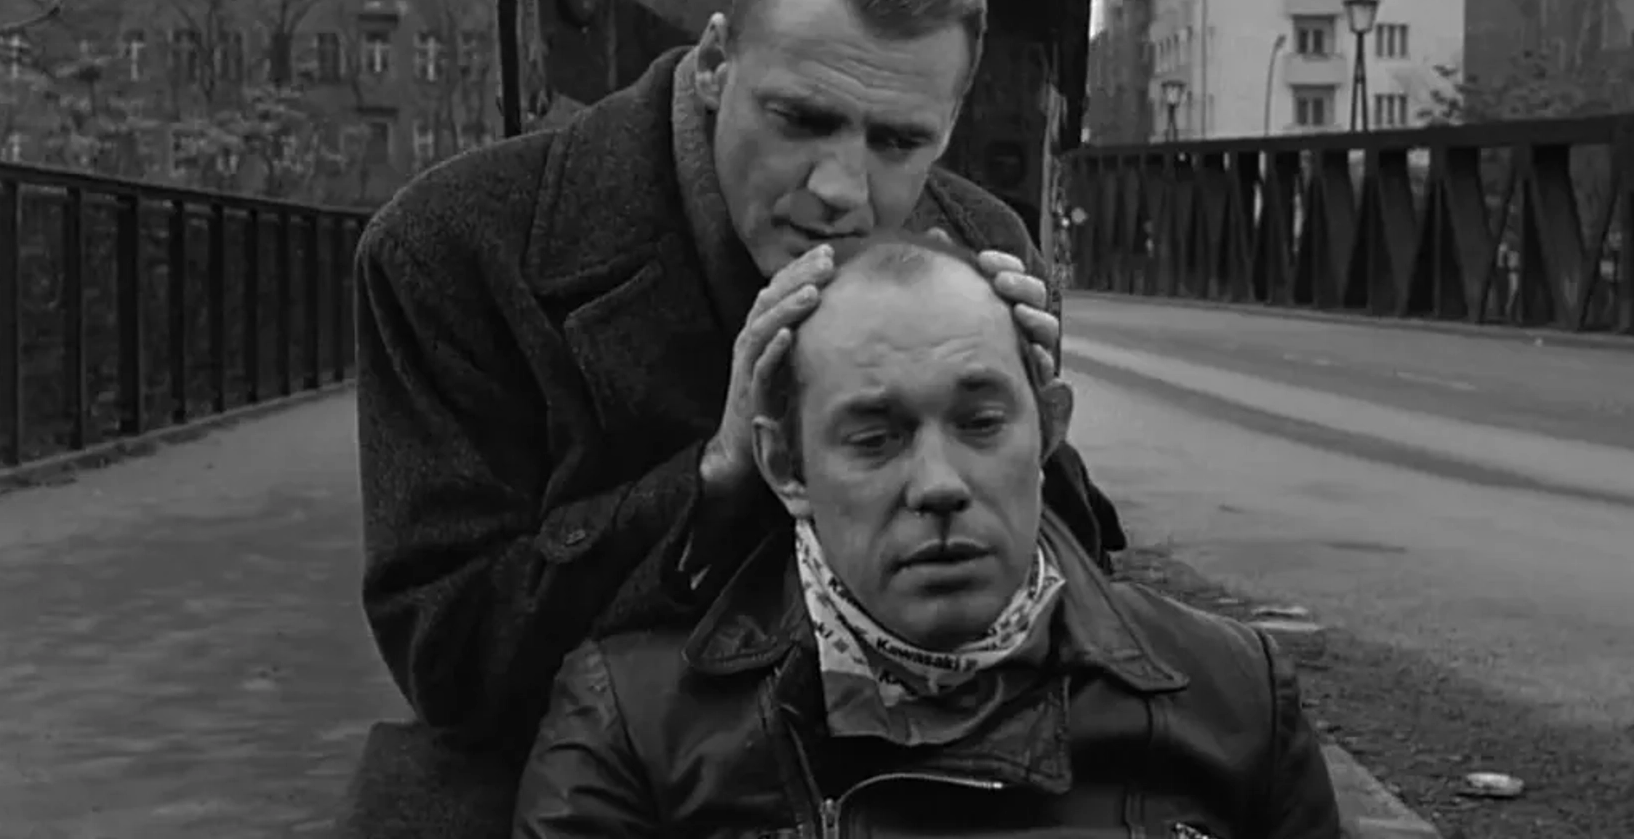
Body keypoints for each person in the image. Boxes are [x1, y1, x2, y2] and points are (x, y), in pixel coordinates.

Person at [337, 0, 1125, 839]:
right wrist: (713, 482)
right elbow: (455, 661)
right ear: (714, 64)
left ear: (948, 127)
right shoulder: (455, 249)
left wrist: (1030, 450)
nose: (842, 189)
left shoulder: (977, 239)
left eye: (898, 141)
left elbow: (1081, 631)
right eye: (800, 120)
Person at [512, 232, 1342, 839]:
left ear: (1047, 431)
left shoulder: (1231, 699)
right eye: (875, 439)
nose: (940, 483)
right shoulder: (637, 725)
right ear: (786, 467)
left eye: (982, 422)